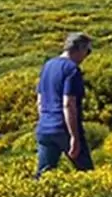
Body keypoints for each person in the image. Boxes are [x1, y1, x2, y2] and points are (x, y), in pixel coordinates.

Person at [35, 32, 94, 177]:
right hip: (63, 129)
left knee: (44, 175)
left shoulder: (48, 66)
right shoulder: (72, 70)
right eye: (88, 51)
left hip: (45, 128)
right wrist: (74, 136)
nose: (87, 56)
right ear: (79, 48)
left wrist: (46, 121)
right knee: (87, 174)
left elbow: (40, 101)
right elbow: (68, 105)